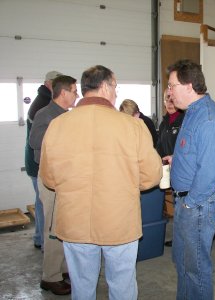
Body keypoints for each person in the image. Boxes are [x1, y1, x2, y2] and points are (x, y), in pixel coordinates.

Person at [39, 65, 162, 300]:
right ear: (105, 86)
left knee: (82, 286)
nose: (116, 92)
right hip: (119, 222)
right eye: (115, 87)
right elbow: (151, 176)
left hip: (75, 221)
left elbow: (48, 178)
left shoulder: (58, 125)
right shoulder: (132, 126)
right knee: (122, 285)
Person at [164, 59, 215, 300]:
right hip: (189, 201)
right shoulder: (192, 112)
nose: (169, 92)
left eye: (172, 86)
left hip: (198, 203)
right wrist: (178, 159)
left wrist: (190, 203)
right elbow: (197, 153)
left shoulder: (209, 119)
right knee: (182, 262)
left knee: (196, 268)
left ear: (189, 86)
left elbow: (209, 173)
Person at [29, 75, 78, 295]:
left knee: (63, 226)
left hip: (65, 177)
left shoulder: (65, 115)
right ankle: (50, 277)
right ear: (63, 92)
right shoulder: (46, 114)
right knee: (52, 229)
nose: (76, 95)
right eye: (74, 91)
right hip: (51, 178)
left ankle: (63, 269)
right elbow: (35, 140)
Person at [24, 70, 62, 250]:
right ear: (49, 83)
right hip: (38, 162)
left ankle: (40, 237)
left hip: (37, 161)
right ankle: (43, 240)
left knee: (41, 202)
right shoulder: (43, 105)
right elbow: (36, 140)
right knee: (43, 203)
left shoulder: (43, 100)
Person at [156, 89, 185, 248]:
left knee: (181, 206)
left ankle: (181, 240)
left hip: (182, 169)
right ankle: (179, 239)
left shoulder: (184, 120)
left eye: (172, 100)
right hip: (168, 169)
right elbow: (160, 144)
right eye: (167, 100)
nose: (169, 103)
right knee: (176, 204)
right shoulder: (164, 122)